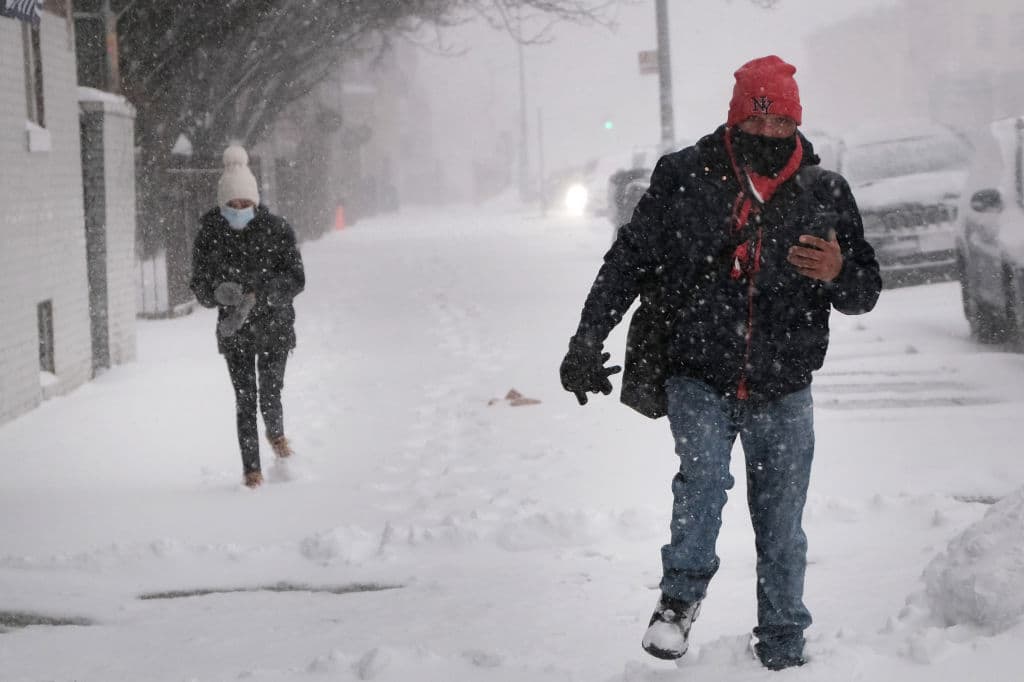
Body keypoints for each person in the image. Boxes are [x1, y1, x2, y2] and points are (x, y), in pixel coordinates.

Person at [559, 56, 881, 670]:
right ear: (735, 120)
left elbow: (865, 290)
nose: (767, 135)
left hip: (784, 386)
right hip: (698, 373)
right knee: (702, 486)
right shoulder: (684, 176)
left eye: (780, 124)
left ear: (796, 123)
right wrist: (585, 338)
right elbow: (628, 260)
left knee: (781, 523)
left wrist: (841, 274)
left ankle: (783, 642)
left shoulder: (825, 191)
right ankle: (678, 604)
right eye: (755, 124)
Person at [190, 145, 306, 489]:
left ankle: (276, 434)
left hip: (274, 325)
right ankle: (252, 470)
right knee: (245, 399)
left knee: (271, 392)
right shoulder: (210, 235)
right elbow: (199, 284)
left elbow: (296, 278)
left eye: (245, 204)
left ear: (255, 202)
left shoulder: (277, 230)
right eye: (232, 205)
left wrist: (266, 292)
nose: (239, 210)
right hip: (235, 330)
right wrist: (216, 292)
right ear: (222, 204)